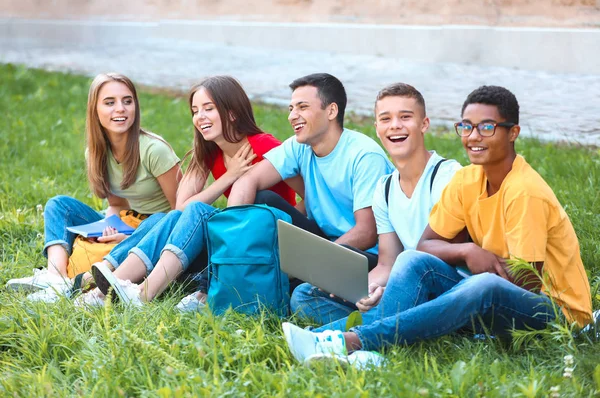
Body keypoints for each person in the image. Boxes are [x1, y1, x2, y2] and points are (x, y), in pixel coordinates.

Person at [281, 85, 593, 366]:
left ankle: (352, 341)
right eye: (466, 127)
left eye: (487, 127)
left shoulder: (524, 191)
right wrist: (468, 251)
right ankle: (348, 346)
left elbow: (527, 283)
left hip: (555, 314)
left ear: (512, 133)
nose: (473, 136)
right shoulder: (469, 179)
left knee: (482, 286)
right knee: (413, 260)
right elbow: (425, 245)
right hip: (481, 293)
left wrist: (467, 280)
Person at [84, 75, 299, 307]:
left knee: (195, 211)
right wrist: (229, 177)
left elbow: (306, 196)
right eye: (195, 111)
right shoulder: (209, 151)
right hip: (230, 243)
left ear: (232, 113)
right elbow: (181, 207)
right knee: (172, 217)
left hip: (260, 242)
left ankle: (142, 294)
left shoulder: (264, 145)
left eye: (208, 108)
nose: (200, 117)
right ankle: (107, 290)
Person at [290, 83, 461, 325]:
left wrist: (394, 287)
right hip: (404, 284)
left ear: (424, 124)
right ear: (378, 128)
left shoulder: (448, 176)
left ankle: (350, 335)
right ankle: (394, 323)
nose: (395, 125)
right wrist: (369, 291)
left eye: (405, 117)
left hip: (448, 286)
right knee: (305, 295)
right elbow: (387, 264)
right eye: (386, 119)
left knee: (413, 260)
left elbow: (444, 256)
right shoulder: (385, 188)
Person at [5, 73, 181, 301]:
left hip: (157, 228)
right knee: (59, 206)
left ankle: (79, 281)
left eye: (127, 101)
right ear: (95, 109)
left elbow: (180, 215)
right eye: (110, 102)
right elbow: (116, 205)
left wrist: (125, 237)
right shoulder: (96, 153)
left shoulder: (154, 150)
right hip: (129, 221)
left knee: (159, 221)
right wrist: (107, 228)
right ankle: (55, 277)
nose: (121, 109)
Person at [227, 73, 393, 298]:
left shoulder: (363, 155)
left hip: (364, 256)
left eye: (302, 107)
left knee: (297, 294)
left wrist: (311, 262)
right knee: (263, 201)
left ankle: (284, 282)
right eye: (291, 109)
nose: (292, 116)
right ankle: (235, 272)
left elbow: (366, 233)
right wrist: (231, 239)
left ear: (331, 111)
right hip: (323, 241)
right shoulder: (298, 146)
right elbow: (248, 180)